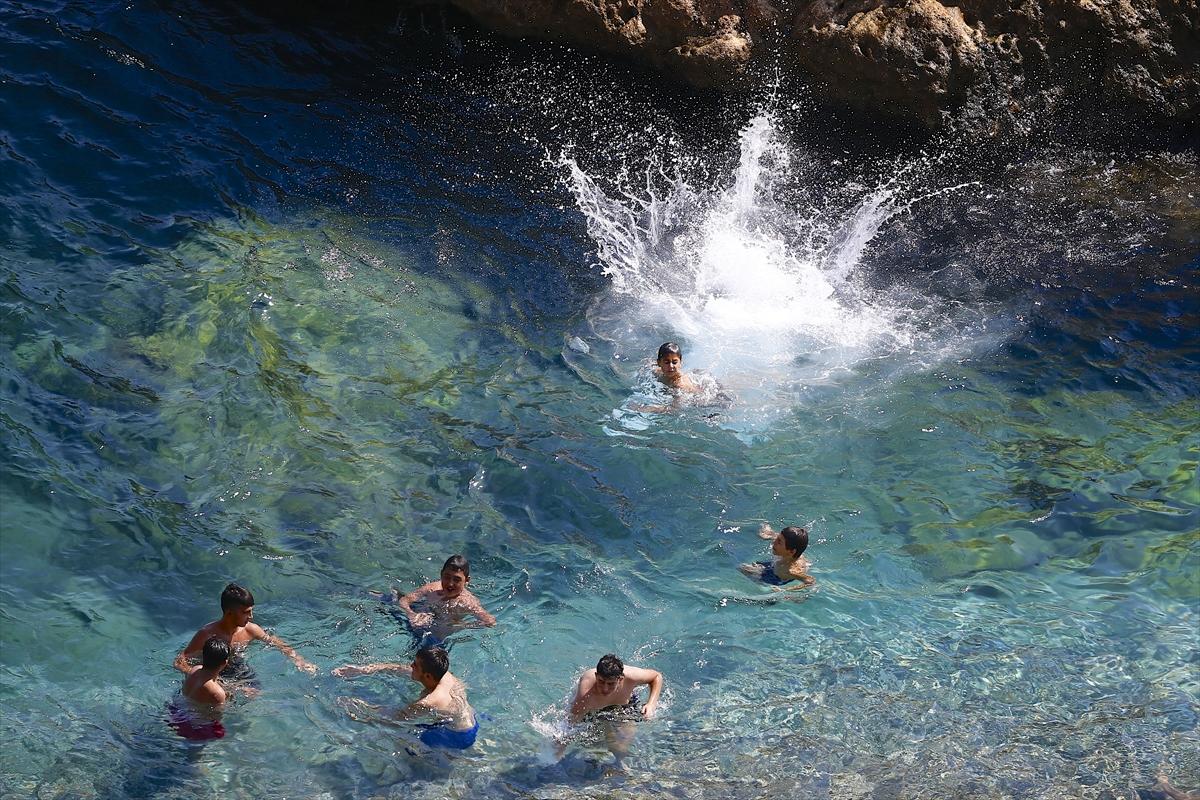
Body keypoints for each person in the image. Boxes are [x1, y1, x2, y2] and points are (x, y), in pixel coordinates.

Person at [334, 645, 479, 750]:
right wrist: (364, 670)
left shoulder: (429, 701)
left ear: (428, 676)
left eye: (415, 665)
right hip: (471, 719)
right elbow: (400, 669)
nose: (410, 666)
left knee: (399, 738)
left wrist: (361, 708)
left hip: (457, 736)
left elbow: (396, 718)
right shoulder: (444, 674)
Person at [174, 583, 317, 677]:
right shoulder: (207, 634)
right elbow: (180, 661)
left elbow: (275, 642)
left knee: (255, 695)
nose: (251, 616)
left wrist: (299, 660)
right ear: (229, 613)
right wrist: (204, 677)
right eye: (246, 612)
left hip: (238, 669)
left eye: (251, 611)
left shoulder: (251, 630)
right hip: (213, 673)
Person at [393, 555, 496, 646]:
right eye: (447, 577)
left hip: (436, 640)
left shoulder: (467, 602)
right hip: (417, 622)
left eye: (456, 579)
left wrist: (460, 625)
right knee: (391, 597)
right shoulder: (432, 588)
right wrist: (411, 614)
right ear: (441, 574)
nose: (450, 584)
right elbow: (404, 601)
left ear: (467, 580)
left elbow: (490, 621)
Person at [168, 636, 230, 740]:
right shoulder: (218, 693)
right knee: (220, 734)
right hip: (194, 726)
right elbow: (216, 717)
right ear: (224, 663)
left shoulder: (195, 670)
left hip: (175, 712)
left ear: (203, 655)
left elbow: (206, 684)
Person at [739, 523, 815, 588]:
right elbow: (780, 539)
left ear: (791, 551)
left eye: (779, 542)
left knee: (742, 568)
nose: (774, 542)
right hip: (774, 568)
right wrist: (768, 533)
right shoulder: (790, 552)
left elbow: (810, 581)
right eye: (777, 538)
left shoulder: (790, 570)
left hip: (775, 580)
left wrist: (787, 590)